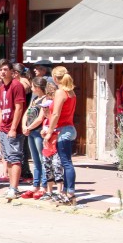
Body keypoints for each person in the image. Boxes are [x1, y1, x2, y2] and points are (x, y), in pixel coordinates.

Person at [42, 66, 77, 205]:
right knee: (66, 162)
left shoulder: (60, 92)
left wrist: (50, 131)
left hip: (62, 130)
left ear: (55, 78)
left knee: (66, 163)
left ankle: (69, 194)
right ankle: (68, 192)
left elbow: (56, 114)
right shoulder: (71, 92)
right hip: (70, 128)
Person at [0, 59, 26, 200]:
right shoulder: (1, 88)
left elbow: (19, 108)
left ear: (12, 72)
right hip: (3, 128)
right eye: (0, 69)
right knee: (7, 158)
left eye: (5, 69)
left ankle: (14, 188)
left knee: (15, 158)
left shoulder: (16, 86)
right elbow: (1, 110)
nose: (2, 72)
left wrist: (13, 128)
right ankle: (11, 187)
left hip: (14, 129)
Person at [21, 77, 48, 198]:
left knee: (42, 159)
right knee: (36, 160)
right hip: (31, 132)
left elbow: (40, 118)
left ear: (37, 87)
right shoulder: (34, 99)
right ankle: (35, 184)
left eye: (32, 86)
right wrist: (24, 125)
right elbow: (27, 112)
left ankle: (44, 185)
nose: (31, 88)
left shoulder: (45, 99)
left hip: (37, 132)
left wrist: (29, 127)